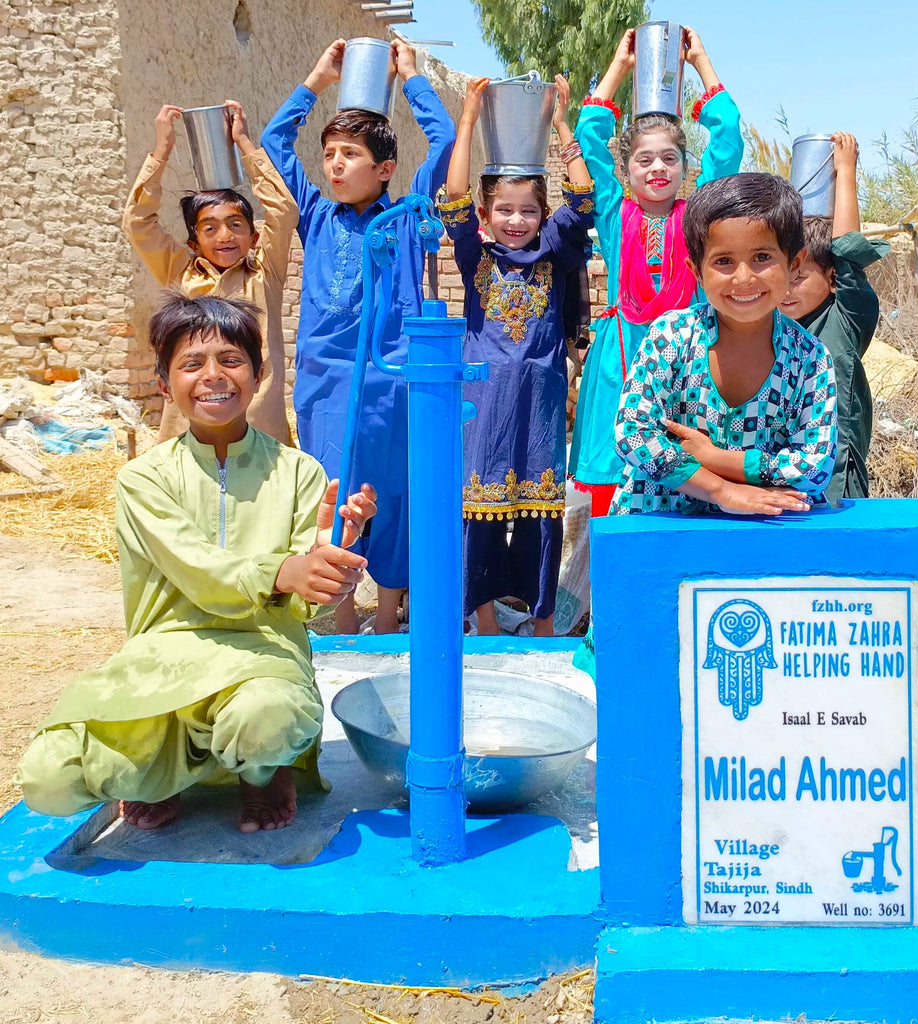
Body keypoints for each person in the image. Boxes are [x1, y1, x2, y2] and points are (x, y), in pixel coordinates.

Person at [15, 295, 376, 833]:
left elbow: (303, 602)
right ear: (164, 384)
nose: (213, 376)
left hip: (264, 656)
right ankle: (168, 771)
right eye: (191, 364)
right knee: (49, 778)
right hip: (165, 656)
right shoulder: (143, 479)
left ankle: (261, 771)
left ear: (258, 375)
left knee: (266, 719)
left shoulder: (299, 473)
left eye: (231, 360)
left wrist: (332, 557)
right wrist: (283, 570)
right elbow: (200, 571)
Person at [261, 39, 455, 634]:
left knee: (392, 490)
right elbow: (273, 142)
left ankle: (391, 614)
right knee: (334, 489)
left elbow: (444, 139)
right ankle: (343, 616)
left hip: (389, 379)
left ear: (386, 169)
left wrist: (412, 79)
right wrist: (318, 79)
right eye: (329, 154)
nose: (336, 165)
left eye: (350, 154)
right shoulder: (316, 214)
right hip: (324, 382)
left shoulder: (407, 217)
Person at [437, 74, 594, 637]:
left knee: (540, 513)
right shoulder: (474, 253)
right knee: (480, 513)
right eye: (504, 209)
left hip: (542, 399)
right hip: (485, 401)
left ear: (541, 215)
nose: (516, 221)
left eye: (528, 211)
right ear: (486, 214)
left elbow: (582, 198)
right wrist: (469, 119)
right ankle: (483, 619)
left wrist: (559, 122)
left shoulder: (554, 250)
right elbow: (452, 196)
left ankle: (543, 622)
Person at [567, 27, 745, 517]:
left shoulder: (700, 216)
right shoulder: (613, 212)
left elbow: (728, 140)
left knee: (686, 471)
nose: (657, 168)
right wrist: (620, 67)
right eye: (644, 160)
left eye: (670, 158)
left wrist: (701, 62)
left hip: (686, 357)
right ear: (626, 171)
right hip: (620, 356)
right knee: (612, 475)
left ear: (687, 165)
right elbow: (588, 136)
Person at [613, 171, 837, 515]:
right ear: (697, 271)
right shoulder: (672, 336)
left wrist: (717, 459)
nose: (743, 278)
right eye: (724, 261)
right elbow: (633, 432)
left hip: (762, 532)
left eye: (762, 257)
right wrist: (721, 490)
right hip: (659, 524)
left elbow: (814, 466)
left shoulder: (808, 358)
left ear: (793, 264)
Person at [122, 101, 297, 445]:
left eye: (235, 224)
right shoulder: (180, 272)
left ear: (254, 236)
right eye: (210, 228)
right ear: (193, 242)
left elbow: (284, 210)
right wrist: (162, 150)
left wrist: (244, 143)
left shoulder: (264, 274)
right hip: (189, 429)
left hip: (259, 428)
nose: (225, 236)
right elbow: (138, 223)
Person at [778, 132, 889, 501]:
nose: (786, 291)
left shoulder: (845, 319)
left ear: (831, 279)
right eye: (782, 278)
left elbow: (844, 251)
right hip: (778, 474)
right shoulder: (767, 326)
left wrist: (845, 171)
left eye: (799, 278)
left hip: (838, 478)